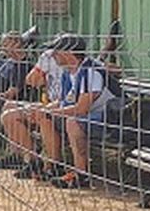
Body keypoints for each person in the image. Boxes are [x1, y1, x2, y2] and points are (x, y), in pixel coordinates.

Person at [41, 33, 116, 189]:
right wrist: (43, 110)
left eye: (56, 51)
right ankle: (54, 166)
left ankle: (81, 175)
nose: (52, 55)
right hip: (92, 116)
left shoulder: (90, 71)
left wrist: (53, 112)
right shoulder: (68, 73)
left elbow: (82, 109)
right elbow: (63, 102)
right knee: (44, 116)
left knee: (73, 122)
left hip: (114, 120)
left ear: (68, 52)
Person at [0, 33, 74, 180]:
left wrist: (42, 76)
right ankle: (28, 158)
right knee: (9, 108)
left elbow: (35, 81)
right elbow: (31, 80)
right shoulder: (48, 56)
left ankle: (49, 165)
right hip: (50, 101)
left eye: (56, 50)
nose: (53, 54)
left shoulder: (71, 65)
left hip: (61, 105)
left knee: (39, 115)